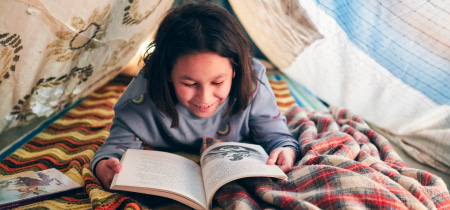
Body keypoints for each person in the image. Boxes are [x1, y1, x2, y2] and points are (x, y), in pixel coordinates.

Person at [91, 1, 299, 189]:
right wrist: (105, 165)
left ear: (235, 71)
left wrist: (284, 149)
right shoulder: (142, 97)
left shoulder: (252, 82)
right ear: (168, 73)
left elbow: (276, 135)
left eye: (218, 82)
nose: (205, 98)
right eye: (189, 83)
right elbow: (116, 147)